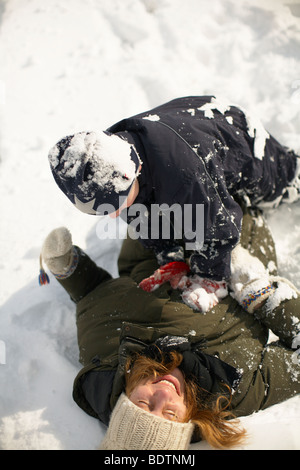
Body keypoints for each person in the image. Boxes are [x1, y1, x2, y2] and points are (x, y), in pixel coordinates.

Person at [39, 207, 300, 450]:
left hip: (159, 231)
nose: (163, 394)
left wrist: (70, 269)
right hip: (235, 229)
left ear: (124, 398)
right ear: (189, 419)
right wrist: (260, 294)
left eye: (144, 403)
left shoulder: (108, 354)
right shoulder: (234, 389)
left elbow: (93, 297)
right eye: (170, 413)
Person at [47, 95, 300, 312]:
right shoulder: (111, 157)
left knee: (280, 179)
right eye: (105, 210)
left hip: (234, 136)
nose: (113, 215)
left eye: (117, 204)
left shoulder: (183, 176)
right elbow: (143, 214)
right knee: (157, 203)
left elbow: (217, 230)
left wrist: (209, 279)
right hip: (178, 135)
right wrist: (170, 256)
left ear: (134, 171)